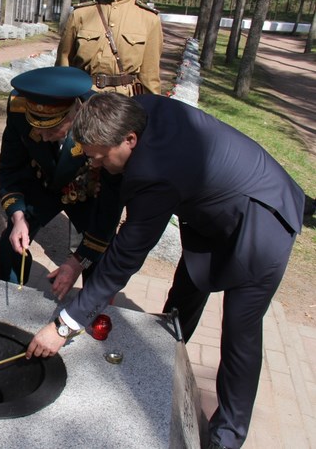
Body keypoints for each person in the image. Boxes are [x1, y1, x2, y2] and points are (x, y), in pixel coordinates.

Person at [26, 93, 306, 449]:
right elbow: (111, 199)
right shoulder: (125, 116)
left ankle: (227, 436)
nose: (93, 164)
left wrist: (63, 325)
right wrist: (80, 259)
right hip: (209, 209)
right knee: (185, 292)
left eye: (98, 157)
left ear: (129, 140)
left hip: (262, 218)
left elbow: (126, 257)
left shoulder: (155, 174)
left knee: (240, 329)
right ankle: (162, 360)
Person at [0, 66, 124, 297]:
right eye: (37, 129)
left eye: (53, 129)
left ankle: (92, 309)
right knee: (10, 246)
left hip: (87, 189)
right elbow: (9, 171)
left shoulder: (99, 118)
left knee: (99, 253)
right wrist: (17, 217)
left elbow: (110, 201)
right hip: (40, 183)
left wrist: (79, 260)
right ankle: (12, 300)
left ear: (75, 114)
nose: (43, 137)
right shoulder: (19, 109)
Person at [55, 0, 163, 96]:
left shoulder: (149, 19)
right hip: (84, 99)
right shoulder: (81, 14)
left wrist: (152, 109)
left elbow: (150, 76)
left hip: (125, 104)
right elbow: (63, 65)